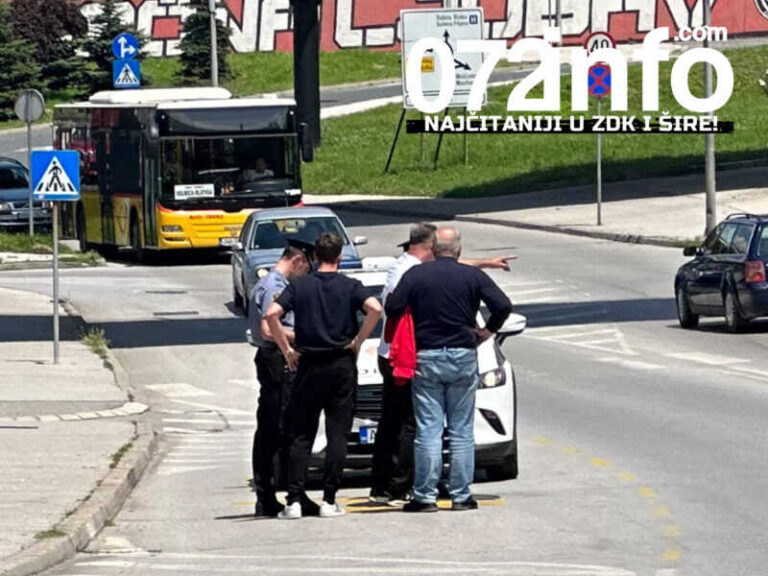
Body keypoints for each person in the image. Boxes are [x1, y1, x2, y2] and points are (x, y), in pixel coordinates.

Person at [370, 223, 517, 506]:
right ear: (459, 250)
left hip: (427, 356)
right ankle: (462, 495)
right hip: (463, 354)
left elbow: (392, 307)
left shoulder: (416, 275)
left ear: (434, 250)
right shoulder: (471, 276)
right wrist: (488, 330)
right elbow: (503, 305)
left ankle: (425, 496)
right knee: (461, 429)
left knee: (428, 428)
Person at [265, 233, 383, 519]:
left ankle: (294, 499)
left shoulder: (300, 285)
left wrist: (286, 349)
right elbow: (376, 309)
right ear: (339, 258)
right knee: (337, 432)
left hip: (308, 362)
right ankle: (329, 499)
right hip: (341, 362)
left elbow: (271, 314)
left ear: (315, 258)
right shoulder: (350, 286)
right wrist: (359, 339)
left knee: (300, 433)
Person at [248, 238, 316, 518]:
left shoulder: (274, 283)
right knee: (276, 429)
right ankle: (272, 496)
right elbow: (267, 329)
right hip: (277, 360)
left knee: (281, 428)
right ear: (298, 260)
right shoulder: (275, 287)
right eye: (307, 266)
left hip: (277, 360)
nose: (307, 272)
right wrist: (306, 336)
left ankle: (289, 495)